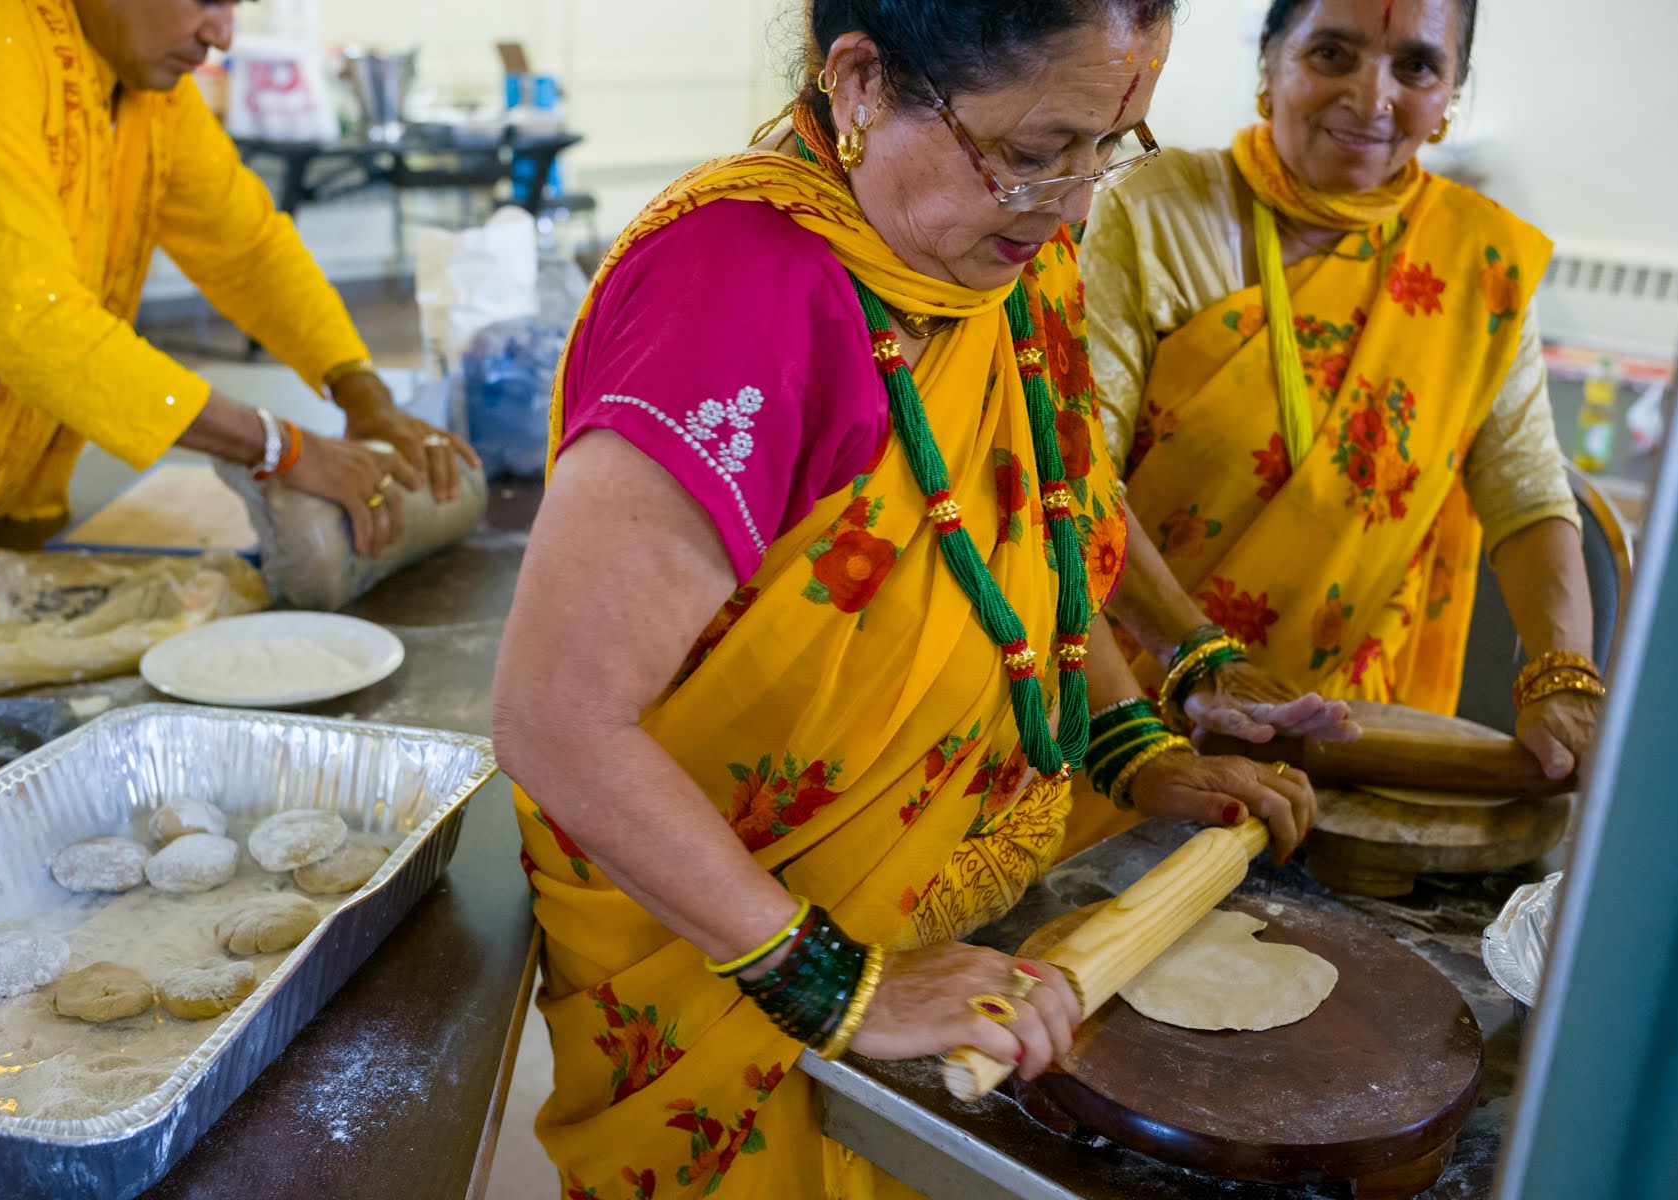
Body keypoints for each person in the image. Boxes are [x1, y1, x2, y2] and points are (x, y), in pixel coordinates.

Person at [491, 3, 1323, 1196]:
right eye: (1038, 152)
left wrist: (1132, 743)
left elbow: (1042, 512)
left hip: (973, 911)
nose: (1078, 201)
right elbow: (556, 719)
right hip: (749, 960)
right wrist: (833, 982)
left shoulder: (998, 249)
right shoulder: (736, 297)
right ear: (863, 81)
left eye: (1114, 144)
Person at [1072, 0, 1602, 853]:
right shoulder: (1155, 214)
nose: (1372, 96)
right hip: (1134, 706)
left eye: (1417, 67)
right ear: (1270, 65)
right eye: (1333, 52)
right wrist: (1196, 663)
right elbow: (1073, 470)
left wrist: (1562, 672)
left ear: (1451, 96)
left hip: (1352, 741)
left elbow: (1526, 490)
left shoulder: (1480, 263)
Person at [0, 0, 479, 572]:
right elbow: (38, 323)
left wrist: (363, 395)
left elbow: (248, 251)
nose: (223, 36)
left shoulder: (147, 90)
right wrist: (280, 446)